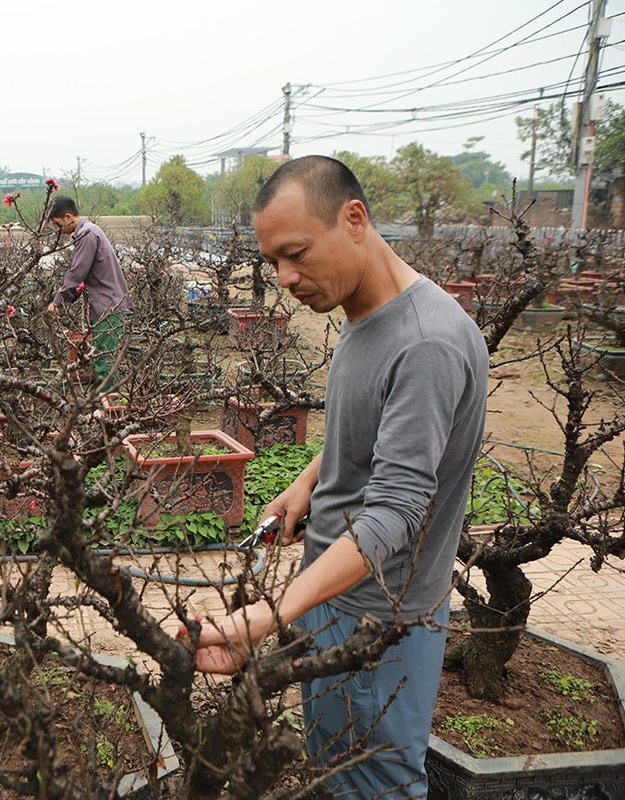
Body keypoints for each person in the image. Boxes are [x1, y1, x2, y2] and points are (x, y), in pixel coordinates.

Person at [186, 156, 488, 798]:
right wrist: (311, 478)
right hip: (333, 595)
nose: (285, 278)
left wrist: (269, 617)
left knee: (371, 782)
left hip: (382, 617)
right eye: (272, 262)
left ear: (354, 219)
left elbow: (395, 514)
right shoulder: (363, 314)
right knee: (330, 767)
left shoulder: (426, 343)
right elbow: (379, 434)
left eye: (295, 254)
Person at [45, 196, 132, 387]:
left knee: (104, 362)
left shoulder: (87, 234)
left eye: (59, 224)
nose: (59, 231)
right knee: (101, 357)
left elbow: (77, 273)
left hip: (108, 306)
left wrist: (57, 302)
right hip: (108, 304)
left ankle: (105, 408)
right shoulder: (90, 231)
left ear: (68, 217)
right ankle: (102, 403)